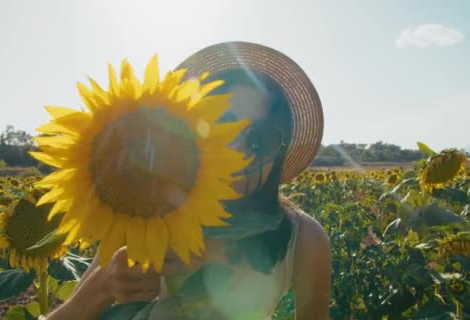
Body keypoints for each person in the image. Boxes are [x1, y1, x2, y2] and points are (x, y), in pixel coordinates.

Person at [47, 41, 331, 320]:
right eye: (223, 123)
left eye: (261, 139)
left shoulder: (302, 238)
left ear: (279, 150)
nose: (238, 152)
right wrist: (101, 287)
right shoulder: (141, 207)